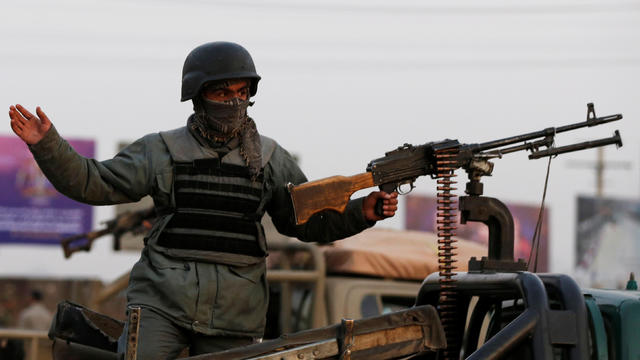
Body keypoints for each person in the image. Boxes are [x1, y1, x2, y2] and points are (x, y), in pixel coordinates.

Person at [8, 41, 398, 359]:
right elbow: (94, 183)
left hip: (236, 313)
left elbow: (303, 220)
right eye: (222, 92)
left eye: (241, 92)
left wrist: (361, 211)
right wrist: (49, 147)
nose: (233, 101)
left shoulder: (270, 158)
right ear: (198, 96)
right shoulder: (162, 150)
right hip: (162, 301)